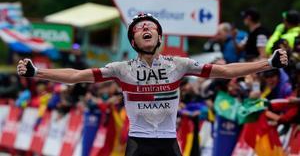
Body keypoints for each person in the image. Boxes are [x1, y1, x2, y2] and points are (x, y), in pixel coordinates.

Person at [17, 13, 288, 156]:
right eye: (138, 27)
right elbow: (77, 76)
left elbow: (226, 71)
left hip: (169, 141)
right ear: (133, 41)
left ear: (159, 35)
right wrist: (37, 72)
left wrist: (269, 63)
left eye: (150, 26)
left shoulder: (178, 64)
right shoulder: (120, 69)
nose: (145, 28)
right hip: (138, 143)